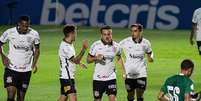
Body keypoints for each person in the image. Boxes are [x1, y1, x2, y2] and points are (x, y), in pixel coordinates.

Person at [0, 15, 40, 101]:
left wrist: (34, 63)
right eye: (24, 26)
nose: (26, 28)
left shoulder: (34, 34)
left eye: (28, 26)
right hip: (11, 68)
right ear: (19, 24)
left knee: (21, 98)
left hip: (26, 70)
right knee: (10, 95)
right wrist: (3, 56)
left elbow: (37, 49)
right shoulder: (9, 32)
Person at [87, 25, 125, 101]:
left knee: (113, 98)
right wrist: (96, 58)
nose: (107, 36)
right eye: (105, 34)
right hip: (98, 78)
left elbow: (119, 58)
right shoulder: (95, 45)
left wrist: (124, 72)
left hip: (111, 77)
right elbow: (88, 60)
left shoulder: (116, 46)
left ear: (111, 34)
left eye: (109, 34)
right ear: (101, 35)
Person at [119, 24, 154, 101]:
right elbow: (115, 48)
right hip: (129, 74)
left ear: (140, 31)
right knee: (130, 95)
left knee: (140, 93)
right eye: (132, 31)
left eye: (135, 31)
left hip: (141, 73)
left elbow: (150, 53)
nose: (133, 33)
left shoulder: (146, 43)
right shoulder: (125, 42)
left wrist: (150, 58)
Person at [58, 25, 88, 101]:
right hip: (66, 77)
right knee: (73, 99)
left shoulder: (69, 44)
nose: (76, 35)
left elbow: (70, 59)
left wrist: (80, 63)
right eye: (75, 33)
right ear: (71, 33)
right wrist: (83, 49)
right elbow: (75, 60)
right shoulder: (65, 46)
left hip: (67, 76)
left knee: (63, 97)